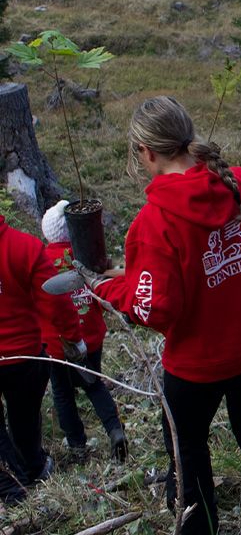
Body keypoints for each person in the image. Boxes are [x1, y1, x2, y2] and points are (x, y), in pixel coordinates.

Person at [77, 96, 241, 535]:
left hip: (199, 363)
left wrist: (104, 287)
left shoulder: (154, 221)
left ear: (146, 152)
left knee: (187, 446)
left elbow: (156, 307)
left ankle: (197, 526)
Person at [38, 199, 128, 464]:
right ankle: (114, 429)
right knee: (93, 384)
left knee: (63, 393)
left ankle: (77, 444)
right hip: (91, 336)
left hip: (57, 344)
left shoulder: (43, 260)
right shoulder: (85, 255)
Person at [0, 211, 80, 502]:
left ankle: (13, 484)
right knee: (24, 420)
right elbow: (56, 302)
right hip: (25, 358)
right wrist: (73, 336)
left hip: (25, 356)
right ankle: (31, 469)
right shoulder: (26, 247)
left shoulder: (26, 247)